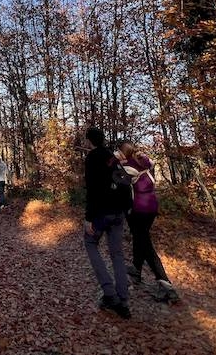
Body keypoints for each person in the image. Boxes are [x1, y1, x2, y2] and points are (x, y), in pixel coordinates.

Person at [117, 140, 179, 303]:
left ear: (122, 153)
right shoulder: (142, 161)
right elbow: (149, 162)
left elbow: (118, 181)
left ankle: (166, 286)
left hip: (140, 210)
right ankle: (136, 270)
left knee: (146, 246)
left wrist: (115, 160)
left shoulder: (128, 167)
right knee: (139, 239)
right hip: (151, 207)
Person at [83, 127, 131, 319]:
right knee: (117, 254)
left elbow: (92, 189)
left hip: (102, 213)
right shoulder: (112, 157)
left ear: (89, 140)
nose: (85, 143)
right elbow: (125, 182)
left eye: (86, 140)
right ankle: (123, 298)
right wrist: (126, 208)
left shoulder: (92, 158)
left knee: (90, 242)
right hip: (118, 212)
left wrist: (89, 218)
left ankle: (110, 294)